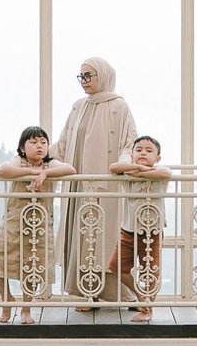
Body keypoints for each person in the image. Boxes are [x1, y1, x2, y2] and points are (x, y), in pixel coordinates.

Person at [56, 57, 138, 301]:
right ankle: (86, 293)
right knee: (82, 237)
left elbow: (129, 142)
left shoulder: (119, 106)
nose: (84, 81)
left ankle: (119, 295)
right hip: (78, 184)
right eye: (81, 76)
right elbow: (63, 144)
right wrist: (35, 158)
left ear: (103, 76)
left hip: (106, 185)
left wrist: (122, 165)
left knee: (103, 239)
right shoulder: (78, 106)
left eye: (89, 76)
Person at [0, 127, 76, 323]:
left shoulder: (50, 164)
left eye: (43, 142)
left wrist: (45, 174)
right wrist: (30, 171)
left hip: (39, 224)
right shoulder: (17, 162)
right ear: (22, 147)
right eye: (33, 142)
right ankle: (6, 300)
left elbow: (70, 169)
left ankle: (26, 308)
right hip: (13, 221)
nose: (39, 146)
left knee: (32, 266)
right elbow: (3, 171)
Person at [108, 135, 172, 321]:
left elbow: (166, 174)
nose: (143, 152)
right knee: (117, 267)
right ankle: (141, 297)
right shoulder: (127, 174)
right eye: (139, 150)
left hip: (152, 231)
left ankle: (148, 309)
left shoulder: (159, 172)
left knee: (150, 271)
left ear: (157, 158)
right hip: (128, 229)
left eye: (149, 150)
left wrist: (138, 171)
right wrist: (138, 167)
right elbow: (113, 168)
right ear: (132, 154)